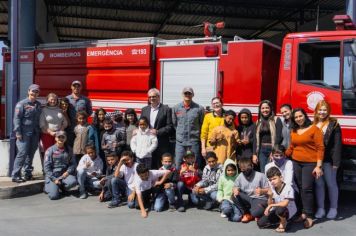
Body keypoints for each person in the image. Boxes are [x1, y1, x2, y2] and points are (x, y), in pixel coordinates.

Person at [285, 108, 324, 229]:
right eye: (296, 117)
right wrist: (281, 155)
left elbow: (320, 148)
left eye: (300, 116)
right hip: (296, 162)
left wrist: (318, 166)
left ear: (305, 116)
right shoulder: (294, 130)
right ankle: (302, 212)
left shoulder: (314, 129)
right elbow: (292, 147)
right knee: (299, 188)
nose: (298, 119)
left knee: (307, 189)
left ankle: (309, 216)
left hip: (310, 164)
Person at [314, 100, 342, 219]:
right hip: (316, 161)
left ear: (328, 111)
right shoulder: (313, 123)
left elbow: (337, 145)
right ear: (316, 111)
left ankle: (333, 208)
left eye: (325, 110)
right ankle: (321, 208)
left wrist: (336, 162)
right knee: (319, 184)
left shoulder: (334, 124)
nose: (322, 112)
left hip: (329, 160)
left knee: (331, 184)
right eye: (320, 109)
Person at [12, 84, 42, 182]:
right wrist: (18, 132)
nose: (34, 93)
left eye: (36, 91)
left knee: (31, 154)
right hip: (24, 133)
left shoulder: (38, 104)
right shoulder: (22, 104)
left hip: (35, 133)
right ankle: (15, 175)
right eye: (33, 91)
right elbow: (17, 118)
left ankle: (28, 173)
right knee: (22, 153)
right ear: (29, 91)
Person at [172, 87, 205, 169]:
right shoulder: (176, 108)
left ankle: (196, 180)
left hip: (194, 141)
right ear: (182, 95)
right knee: (178, 162)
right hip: (180, 141)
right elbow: (174, 123)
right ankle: (179, 180)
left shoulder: (199, 108)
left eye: (189, 93)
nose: (187, 95)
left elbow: (201, 124)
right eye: (185, 93)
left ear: (193, 95)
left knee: (196, 163)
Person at [141, 88, 173, 169]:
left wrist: (158, 131)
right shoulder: (144, 109)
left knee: (161, 166)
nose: (152, 98)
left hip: (161, 142)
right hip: (147, 142)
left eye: (154, 96)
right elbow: (141, 124)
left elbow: (170, 126)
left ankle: (162, 181)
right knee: (149, 165)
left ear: (159, 97)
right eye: (150, 97)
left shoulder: (166, 109)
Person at [257, 167, 297, 232]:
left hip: (288, 210)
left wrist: (271, 206)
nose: (272, 181)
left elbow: (285, 203)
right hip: (277, 210)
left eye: (274, 179)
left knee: (280, 210)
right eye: (270, 180)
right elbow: (270, 204)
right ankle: (281, 220)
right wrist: (270, 196)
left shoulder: (288, 188)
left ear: (281, 177)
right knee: (260, 224)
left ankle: (284, 222)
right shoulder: (272, 188)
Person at [232, 158, 269, 223]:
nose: (246, 172)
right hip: (248, 198)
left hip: (259, 199)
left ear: (252, 166)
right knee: (234, 196)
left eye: (248, 169)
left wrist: (262, 191)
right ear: (240, 169)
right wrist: (235, 190)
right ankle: (246, 213)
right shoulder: (240, 176)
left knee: (256, 213)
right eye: (244, 170)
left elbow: (270, 190)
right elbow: (235, 187)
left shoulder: (260, 176)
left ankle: (253, 214)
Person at [43, 131, 77, 200]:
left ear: (65, 138)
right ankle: (48, 187)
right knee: (53, 196)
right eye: (59, 137)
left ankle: (61, 186)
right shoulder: (50, 150)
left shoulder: (69, 149)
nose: (61, 139)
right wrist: (54, 179)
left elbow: (73, 163)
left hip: (64, 175)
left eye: (63, 137)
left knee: (73, 182)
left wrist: (68, 172)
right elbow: (46, 167)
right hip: (53, 175)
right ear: (55, 138)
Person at [253, 100, 283, 173]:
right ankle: (265, 185)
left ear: (270, 109)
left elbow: (279, 137)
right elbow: (255, 139)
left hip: (272, 149)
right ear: (260, 110)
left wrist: (274, 151)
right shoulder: (258, 122)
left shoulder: (276, 120)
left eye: (267, 108)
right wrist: (254, 154)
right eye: (262, 108)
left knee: (271, 171)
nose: (265, 110)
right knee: (263, 171)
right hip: (261, 150)